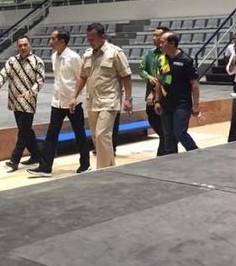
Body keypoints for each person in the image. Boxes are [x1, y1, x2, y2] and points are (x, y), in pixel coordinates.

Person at [69, 23, 132, 169]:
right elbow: (82, 77)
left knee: (103, 134)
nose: (90, 42)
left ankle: (101, 170)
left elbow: (126, 76)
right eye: (88, 39)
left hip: (110, 100)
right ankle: (111, 167)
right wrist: (74, 96)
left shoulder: (115, 53)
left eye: (93, 39)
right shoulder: (87, 54)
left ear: (102, 37)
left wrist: (128, 99)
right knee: (97, 137)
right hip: (92, 101)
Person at [27, 29, 90, 177]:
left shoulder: (74, 57)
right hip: (57, 102)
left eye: (53, 39)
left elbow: (82, 78)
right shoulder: (54, 56)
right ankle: (45, 167)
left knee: (79, 133)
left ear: (62, 41)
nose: (50, 41)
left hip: (73, 103)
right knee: (51, 134)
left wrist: (76, 97)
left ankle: (85, 164)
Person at [0, 36, 45, 172]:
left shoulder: (37, 61)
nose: (23, 48)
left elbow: (40, 81)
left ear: (29, 45)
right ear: (17, 47)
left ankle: (14, 160)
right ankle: (36, 155)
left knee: (23, 132)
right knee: (26, 131)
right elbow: (3, 74)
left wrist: (30, 92)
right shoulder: (12, 61)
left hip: (28, 102)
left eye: (25, 45)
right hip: (14, 102)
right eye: (20, 45)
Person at [153, 32, 200, 153]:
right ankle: (171, 160)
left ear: (172, 43)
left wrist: (196, 105)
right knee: (168, 136)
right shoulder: (162, 59)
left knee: (179, 132)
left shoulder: (186, 60)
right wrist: (157, 101)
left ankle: (196, 153)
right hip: (166, 103)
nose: (160, 44)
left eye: (163, 42)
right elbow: (159, 81)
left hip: (182, 104)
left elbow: (194, 84)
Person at [138, 25, 169, 156]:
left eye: (157, 35)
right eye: (153, 35)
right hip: (150, 96)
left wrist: (154, 92)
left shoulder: (168, 54)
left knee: (165, 129)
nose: (154, 38)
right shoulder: (150, 53)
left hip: (164, 96)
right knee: (154, 122)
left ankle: (162, 155)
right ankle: (166, 150)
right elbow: (141, 69)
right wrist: (148, 77)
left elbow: (167, 77)